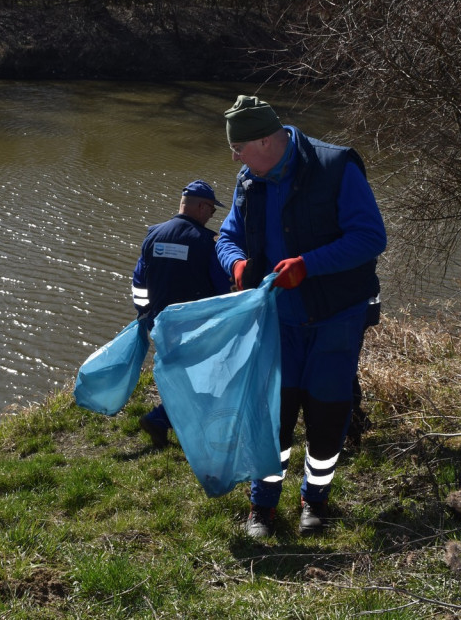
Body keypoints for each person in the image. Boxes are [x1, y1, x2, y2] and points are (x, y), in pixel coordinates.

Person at [215, 95, 387, 537]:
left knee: (327, 416)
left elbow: (370, 237)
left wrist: (308, 265)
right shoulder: (249, 179)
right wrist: (235, 263)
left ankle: (315, 500)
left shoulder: (336, 167)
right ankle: (263, 508)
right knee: (273, 417)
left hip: (335, 318)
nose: (234, 158)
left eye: (240, 148)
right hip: (277, 323)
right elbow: (228, 235)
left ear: (268, 140)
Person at [132, 180, 232, 448]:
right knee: (207, 377)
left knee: (182, 374)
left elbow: (139, 282)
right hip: (195, 325)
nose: (212, 215)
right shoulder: (208, 243)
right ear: (200, 206)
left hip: (161, 324)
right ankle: (161, 419)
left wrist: (145, 315)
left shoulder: (154, 235)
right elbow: (222, 289)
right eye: (211, 210)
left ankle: (174, 420)